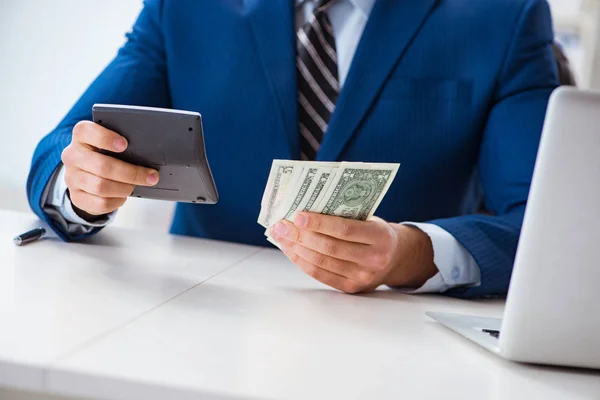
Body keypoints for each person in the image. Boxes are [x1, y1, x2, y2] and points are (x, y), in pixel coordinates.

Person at [27, 0, 560, 297]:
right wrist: (81, 189)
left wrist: (413, 254)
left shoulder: (503, 15)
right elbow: (62, 149)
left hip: (396, 342)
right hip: (198, 326)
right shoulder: (187, 7)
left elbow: (544, 228)